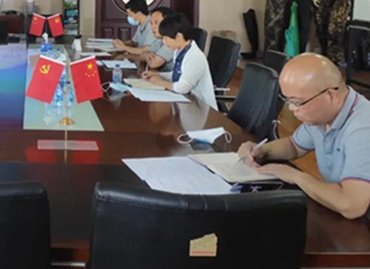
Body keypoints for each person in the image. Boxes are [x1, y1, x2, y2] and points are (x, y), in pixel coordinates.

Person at [238, 54, 370, 220]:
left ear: (331, 95)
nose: (291, 109)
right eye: (287, 100)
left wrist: (295, 176)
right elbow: (294, 146)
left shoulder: (362, 129)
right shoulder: (322, 116)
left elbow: (352, 205)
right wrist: (260, 151)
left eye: (297, 102)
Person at [142, 13, 217, 110]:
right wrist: (158, 75)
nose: (164, 42)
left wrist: (159, 81)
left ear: (178, 36)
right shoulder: (179, 50)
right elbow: (177, 74)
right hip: (186, 103)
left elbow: (182, 88)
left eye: (166, 38)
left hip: (201, 108)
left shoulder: (194, 56)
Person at [141, 6, 175, 72]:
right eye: (151, 23)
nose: (153, 27)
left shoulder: (172, 41)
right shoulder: (160, 40)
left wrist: (147, 57)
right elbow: (142, 54)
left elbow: (153, 64)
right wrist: (146, 55)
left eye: (156, 23)